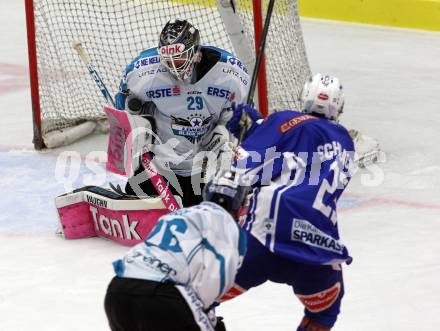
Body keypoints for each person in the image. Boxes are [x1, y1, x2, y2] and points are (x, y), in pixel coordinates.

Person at [223, 74, 356, 331]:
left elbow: (248, 168)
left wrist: (253, 130)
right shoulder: (347, 144)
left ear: (304, 97)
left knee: (194, 297)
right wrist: (260, 125)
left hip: (262, 235)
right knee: (324, 315)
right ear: (338, 105)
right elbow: (305, 144)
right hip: (317, 247)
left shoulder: (284, 119)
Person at [115, 19, 250, 207]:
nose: (172, 66)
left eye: (178, 58)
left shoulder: (230, 74)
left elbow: (240, 117)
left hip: (204, 166)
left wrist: (226, 133)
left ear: (195, 52)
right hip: (160, 164)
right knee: (136, 202)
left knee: (220, 205)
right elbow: (123, 104)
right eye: (167, 59)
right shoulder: (142, 72)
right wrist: (137, 125)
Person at [104, 170, 250, 331]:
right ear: (239, 205)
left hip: (117, 291)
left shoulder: (177, 214)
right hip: (160, 297)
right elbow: (215, 279)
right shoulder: (230, 227)